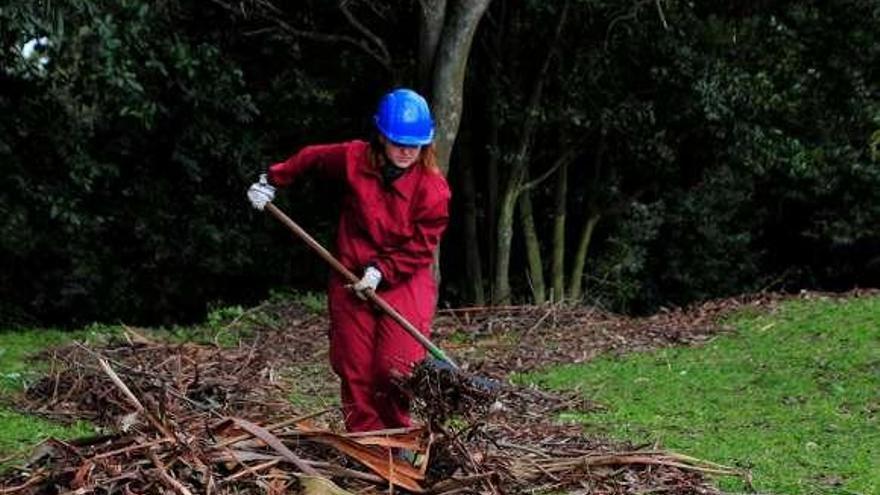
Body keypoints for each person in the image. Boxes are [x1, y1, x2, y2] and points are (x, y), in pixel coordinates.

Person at [247, 88, 451, 434]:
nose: (405, 151)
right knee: (352, 365)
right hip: (349, 273)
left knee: (395, 368)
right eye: (397, 141)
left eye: (414, 144)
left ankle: (396, 437)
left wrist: (381, 271)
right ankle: (366, 442)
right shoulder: (354, 158)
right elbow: (312, 157)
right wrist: (272, 179)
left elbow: (421, 247)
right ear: (381, 136)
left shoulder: (433, 189)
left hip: (405, 280)